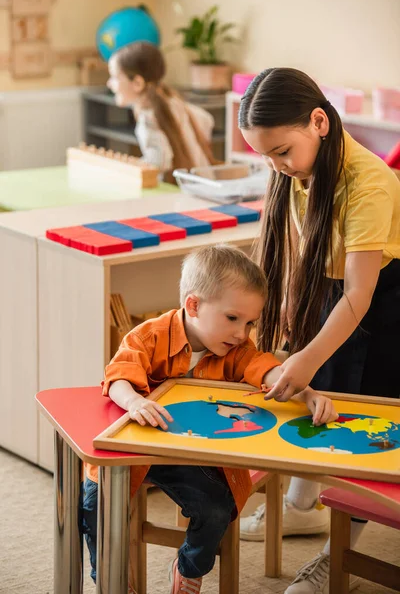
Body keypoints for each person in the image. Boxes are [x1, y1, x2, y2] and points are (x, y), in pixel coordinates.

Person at [82, 243, 338, 594]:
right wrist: (132, 401)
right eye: (233, 319)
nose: (241, 333)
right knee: (93, 503)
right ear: (194, 305)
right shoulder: (147, 336)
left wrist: (307, 393)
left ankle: (188, 568)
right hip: (134, 450)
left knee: (218, 508)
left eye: (250, 322)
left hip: (188, 458)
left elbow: (269, 371)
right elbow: (118, 376)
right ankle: (110, 579)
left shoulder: (237, 351)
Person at [238, 67, 400, 594]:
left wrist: (304, 356)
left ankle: (337, 561)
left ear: (318, 122)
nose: (276, 167)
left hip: (383, 301)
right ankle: (303, 507)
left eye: (282, 151)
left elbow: (361, 293)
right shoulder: (299, 172)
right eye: (266, 156)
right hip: (337, 293)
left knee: (361, 424)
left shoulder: (371, 181)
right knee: (320, 397)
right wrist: (290, 315)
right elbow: (298, 250)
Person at [107, 41, 216, 180]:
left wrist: (131, 169)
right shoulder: (173, 101)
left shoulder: (148, 117)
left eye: (115, 77)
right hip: (204, 184)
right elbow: (206, 119)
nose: (109, 83)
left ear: (137, 83)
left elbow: (160, 160)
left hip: (185, 193)